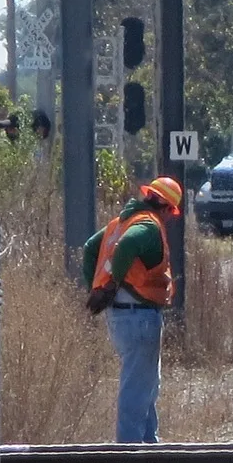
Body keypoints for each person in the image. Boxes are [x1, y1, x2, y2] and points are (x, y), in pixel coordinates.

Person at [84, 176, 182, 443]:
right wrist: (114, 282)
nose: (169, 218)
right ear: (163, 207)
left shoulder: (120, 223)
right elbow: (126, 246)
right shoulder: (148, 226)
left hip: (121, 315)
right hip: (138, 316)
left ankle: (149, 447)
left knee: (146, 386)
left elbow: (91, 248)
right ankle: (128, 452)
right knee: (138, 390)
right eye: (170, 212)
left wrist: (96, 288)